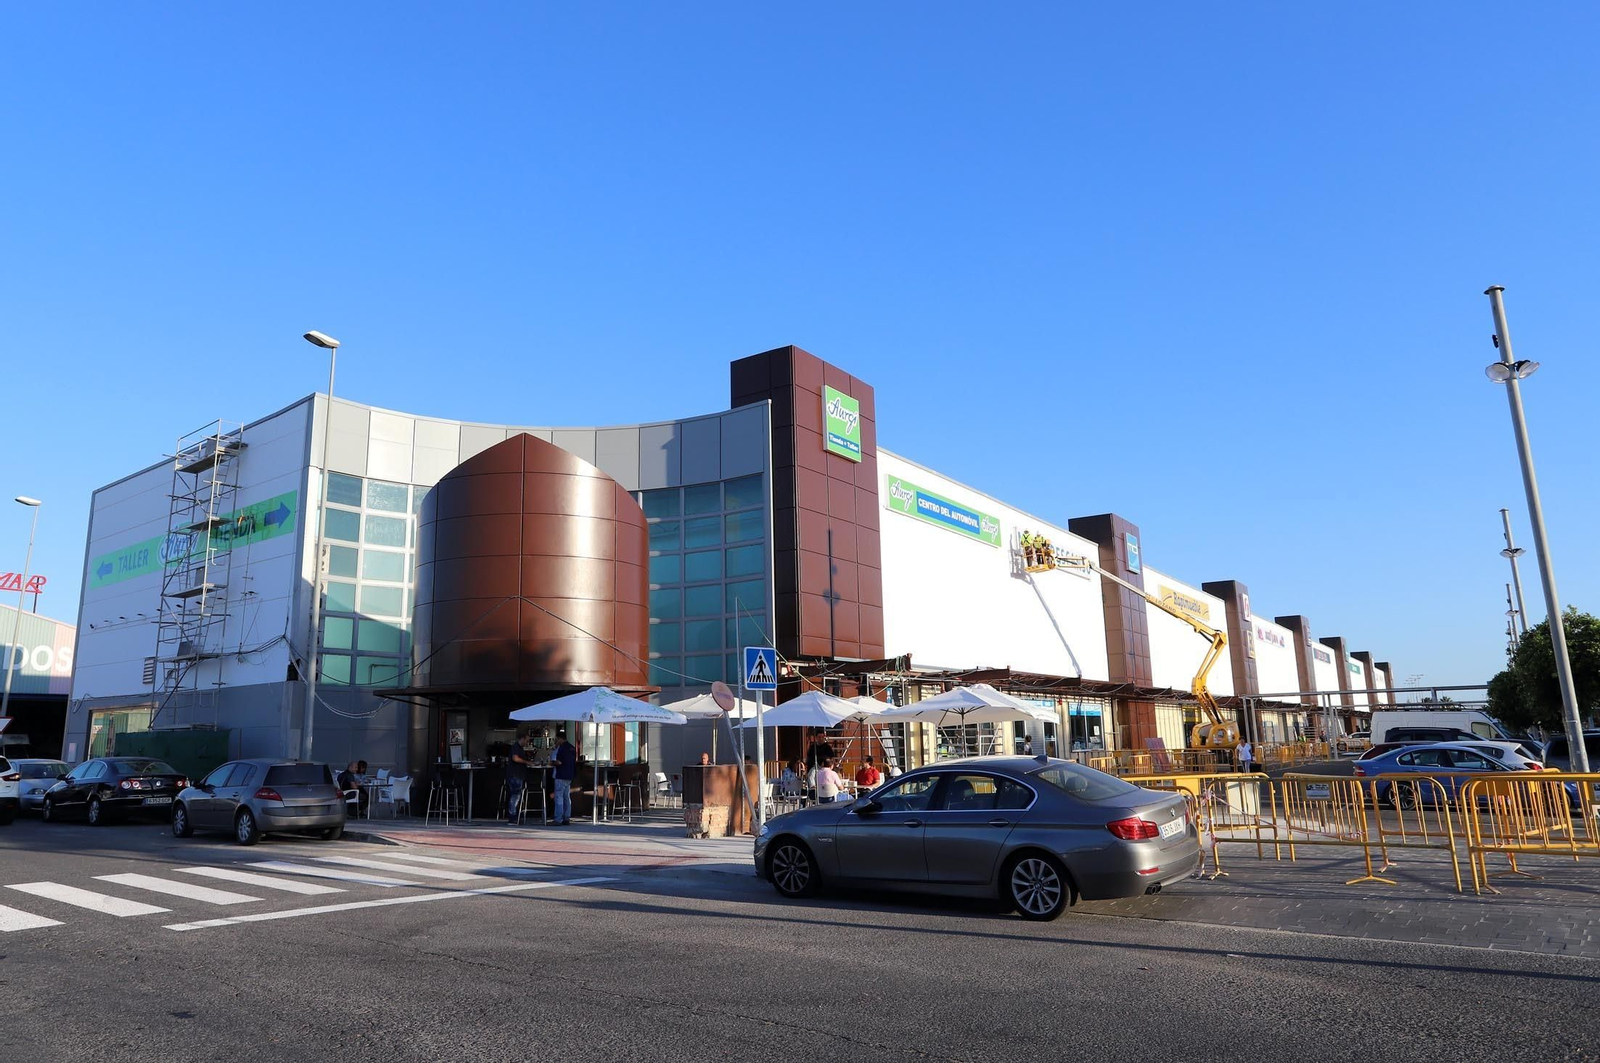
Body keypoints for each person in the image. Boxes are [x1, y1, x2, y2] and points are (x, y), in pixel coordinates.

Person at [550, 728, 577, 824]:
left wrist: (552, 763)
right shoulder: (572, 748)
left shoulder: (561, 748)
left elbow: (559, 762)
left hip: (561, 775)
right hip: (569, 775)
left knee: (559, 797)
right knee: (566, 797)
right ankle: (566, 817)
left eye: (557, 739)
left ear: (560, 738)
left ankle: (558, 819)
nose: (557, 741)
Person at [506, 734, 535, 822]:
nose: (527, 743)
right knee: (515, 795)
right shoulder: (516, 747)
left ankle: (514, 815)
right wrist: (527, 762)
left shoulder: (519, 748)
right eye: (526, 740)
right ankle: (512, 816)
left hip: (517, 774)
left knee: (516, 795)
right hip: (515, 775)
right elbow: (515, 758)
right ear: (522, 738)